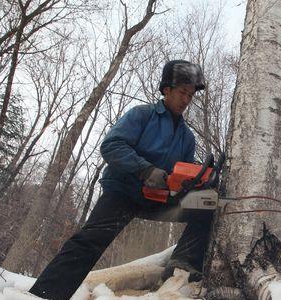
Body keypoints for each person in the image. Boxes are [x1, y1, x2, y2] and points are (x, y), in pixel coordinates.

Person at [29, 60, 213, 300]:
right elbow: (111, 146)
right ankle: (44, 294)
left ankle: (180, 266)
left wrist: (191, 184)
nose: (186, 99)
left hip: (158, 199)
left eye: (190, 95)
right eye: (182, 92)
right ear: (167, 89)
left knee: (205, 209)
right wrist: (145, 170)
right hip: (123, 191)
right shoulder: (142, 115)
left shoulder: (186, 137)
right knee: (89, 241)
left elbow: (185, 171)